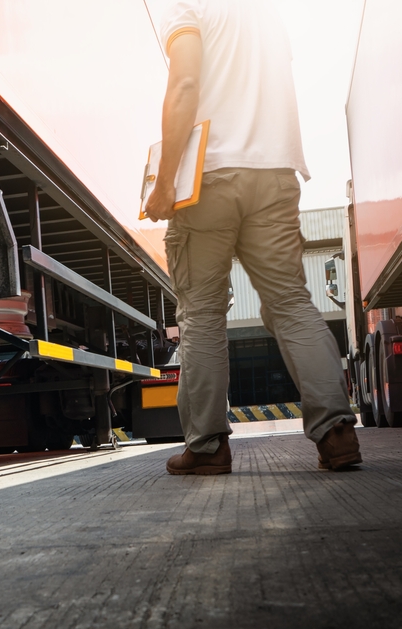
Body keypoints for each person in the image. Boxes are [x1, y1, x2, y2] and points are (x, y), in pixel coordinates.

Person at [143, 0, 362, 475]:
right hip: (276, 173)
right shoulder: (266, 13)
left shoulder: (188, 7)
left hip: (212, 178)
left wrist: (163, 185)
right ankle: (338, 434)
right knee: (290, 300)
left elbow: (184, 83)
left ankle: (206, 448)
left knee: (201, 311)